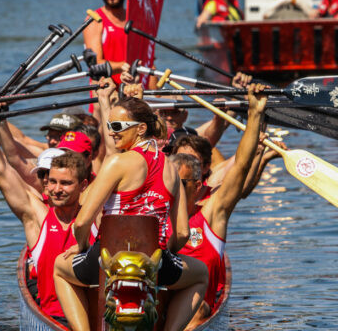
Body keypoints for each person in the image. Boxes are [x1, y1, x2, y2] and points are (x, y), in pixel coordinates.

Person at [53, 92, 209, 331]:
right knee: (201, 274)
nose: (112, 132)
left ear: (140, 129)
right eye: (108, 126)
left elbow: (82, 221)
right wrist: (165, 255)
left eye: (117, 126)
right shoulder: (171, 168)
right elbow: (182, 233)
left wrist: (82, 246)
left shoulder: (118, 162)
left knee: (59, 268)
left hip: (109, 260)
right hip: (152, 263)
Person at [0, 93, 97, 326]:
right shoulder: (38, 217)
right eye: (52, 182)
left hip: (95, 319)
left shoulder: (97, 214)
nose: (56, 190)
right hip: (55, 319)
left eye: (66, 183)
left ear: (84, 185)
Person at [170, 83, 268, 327]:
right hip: (160, 304)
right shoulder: (156, 212)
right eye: (170, 183)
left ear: (197, 184)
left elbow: (241, 167)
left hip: (197, 311)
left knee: (198, 309)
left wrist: (255, 114)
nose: (173, 191)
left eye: (181, 184)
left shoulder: (213, 211)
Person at [83, 0, 129, 85]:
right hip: (108, 90)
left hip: (134, 90)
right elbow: (96, 64)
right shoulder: (94, 20)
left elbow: (149, 63)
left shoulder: (135, 19)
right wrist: (126, 65)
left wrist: (157, 95)